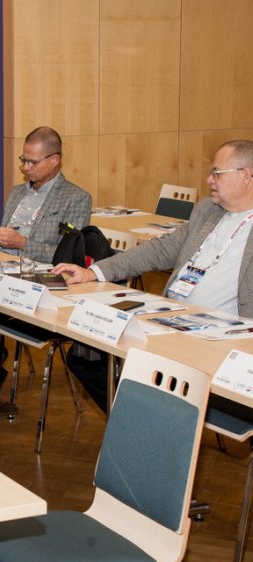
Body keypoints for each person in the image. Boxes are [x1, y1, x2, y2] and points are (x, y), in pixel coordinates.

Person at [53, 139, 253, 413]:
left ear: (245, 176)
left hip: (221, 340)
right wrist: (94, 271)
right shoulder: (207, 211)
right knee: (86, 357)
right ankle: (141, 424)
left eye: (217, 173)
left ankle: (152, 424)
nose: (209, 180)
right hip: (173, 321)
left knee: (151, 383)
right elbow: (160, 250)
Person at [0, 126, 92, 411]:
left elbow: (68, 257)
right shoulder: (16, 193)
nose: (25, 168)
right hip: (4, 271)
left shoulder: (75, 198)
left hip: (42, 283)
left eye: (32, 162)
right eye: (23, 160)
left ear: (55, 160)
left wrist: (23, 243)